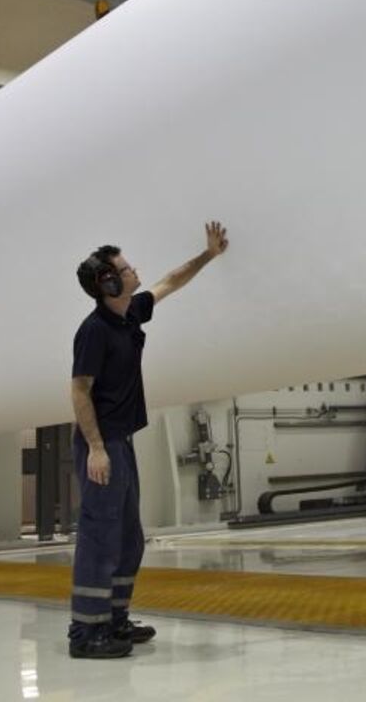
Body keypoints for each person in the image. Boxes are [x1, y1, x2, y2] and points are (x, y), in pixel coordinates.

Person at [67, 221, 230, 659]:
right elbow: (79, 389)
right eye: (126, 269)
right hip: (100, 444)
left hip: (120, 441)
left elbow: (169, 282)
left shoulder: (129, 313)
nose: (135, 271)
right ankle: (86, 633)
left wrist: (208, 255)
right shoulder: (94, 330)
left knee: (128, 537)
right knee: (100, 536)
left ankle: (114, 620)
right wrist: (96, 449)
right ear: (108, 283)